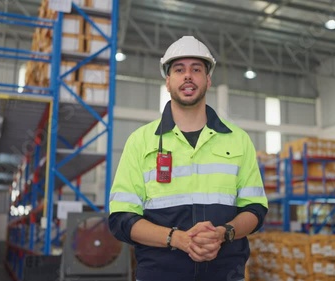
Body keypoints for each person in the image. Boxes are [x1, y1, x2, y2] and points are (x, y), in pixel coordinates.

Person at [108, 36, 268, 281]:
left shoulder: (238, 140)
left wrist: (224, 233)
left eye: (196, 69)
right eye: (179, 69)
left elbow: (255, 209)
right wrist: (177, 238)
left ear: (208, 79)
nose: (188, 76)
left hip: (225, 274)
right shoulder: (140, 141)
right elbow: (121, 218)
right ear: (168, 81)